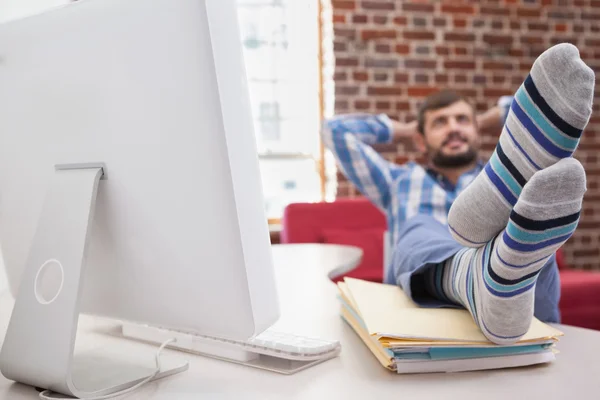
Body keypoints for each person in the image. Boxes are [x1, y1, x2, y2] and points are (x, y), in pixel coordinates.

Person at [322, 43, 594, 345]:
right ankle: (479, 275)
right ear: (421, 141)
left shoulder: (516, 180)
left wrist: (484, 120)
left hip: (516, 307)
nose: (453, 128)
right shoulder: (397, 181)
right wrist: (403, 129)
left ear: (478, 132)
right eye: (440, 122)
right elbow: (334, 131)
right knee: (420, 225)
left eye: (463, 120)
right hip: (421, 298)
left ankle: (495, 273)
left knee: (531, 228)